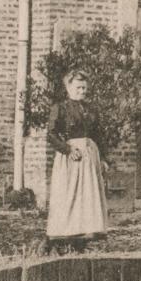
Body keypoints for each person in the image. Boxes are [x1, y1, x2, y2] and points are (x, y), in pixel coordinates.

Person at [45, 69, 110, 253]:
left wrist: (104, 158)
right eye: (79, 87)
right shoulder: (60, 108)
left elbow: (99, 135)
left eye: (84, 88)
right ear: (68, 87)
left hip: (90, 157)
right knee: (69, 195)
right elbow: (50, 134)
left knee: (87, 195)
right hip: (71, 158)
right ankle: (63, 236)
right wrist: (67, 149)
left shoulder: (90, 109)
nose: (82, 91)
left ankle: (83, 235)